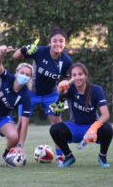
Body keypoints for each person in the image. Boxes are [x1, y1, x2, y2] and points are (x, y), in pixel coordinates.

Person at [13, 27, 72, 164]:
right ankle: (16, 151)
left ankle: (59, 156)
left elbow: (67, 81)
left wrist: (64, 89)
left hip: (51, 95)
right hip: (31, 93)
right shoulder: (40, 51)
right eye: (55, 41)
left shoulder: (67, 60)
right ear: (50, 43)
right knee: (22, 122)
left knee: (58, 124)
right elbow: (15, 56)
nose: (58, 44)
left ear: (65, 43)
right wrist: (24, 49)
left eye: (61, 41)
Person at [49, 62, 113, 168]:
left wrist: (94, 127)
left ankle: (102, 156)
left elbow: (106, 115)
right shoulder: (69, 89)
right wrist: (60, 91)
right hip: (75, 128)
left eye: (80, 74)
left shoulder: (96, 90)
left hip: (92, 129)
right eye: (74, 75)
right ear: (71, 77)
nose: (77, 77)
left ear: (86, 75)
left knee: (108, 128)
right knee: (54, 129)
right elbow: (56, 110)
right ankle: (69, 157)